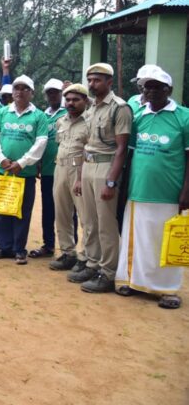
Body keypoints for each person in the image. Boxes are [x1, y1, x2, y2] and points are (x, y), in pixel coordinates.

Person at [116, 67, 188, 309]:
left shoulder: (184, 117)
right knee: (137, 239)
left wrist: (186, 190)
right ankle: (134, 282)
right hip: (138, 191)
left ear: (169, 90)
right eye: (148, 86)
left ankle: (167, 290)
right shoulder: (140, 117)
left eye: (158, 87)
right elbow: (129, 154)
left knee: (166, 241)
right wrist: (124, 188)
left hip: (169, 192)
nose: (151, 91)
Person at [71, 63, 131, 293]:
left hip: (106, 167)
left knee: (106, 224)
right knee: (89, 220)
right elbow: (86, 145)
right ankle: (92, 263)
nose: (92, 84)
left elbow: (121, 148)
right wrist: (79, 176)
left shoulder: (119, 108)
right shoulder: (92, 108)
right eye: (90, 80)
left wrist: (111, 181)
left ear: (109, 82)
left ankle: (108, 272)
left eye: (97, 80)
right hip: (88, 166)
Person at [0, 75, 48, 264]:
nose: (19, 92)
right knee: (1, 210)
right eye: (16, 88)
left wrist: (21, 163)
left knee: (22, 211)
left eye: (24, 88)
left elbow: (41, 143)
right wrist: (2, 159)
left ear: (31, 93)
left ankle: (19, 249)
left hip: (25, 173)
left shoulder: (39, 116)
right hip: (3, 170)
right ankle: (3, 247)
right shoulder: (3, 112)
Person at [47, 83, 89, 271]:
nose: (71, 103)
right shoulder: (61, 121)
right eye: (68, 100)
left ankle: (86, 257)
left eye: (76, 100)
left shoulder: (90, 121)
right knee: (62, 213)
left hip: (81, 170)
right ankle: (67, 253)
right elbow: (60, 144)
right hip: (61, 168)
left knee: (85, 216)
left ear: (85, 101)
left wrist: (81, 177)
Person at [30, 78, 66, 259]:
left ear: (62, 93)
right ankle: (48, 245)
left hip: (66, 170)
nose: (52, 95)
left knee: (67, 210)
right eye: (49, 92)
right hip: (47, 170)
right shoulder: (43, 115)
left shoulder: (69, 112)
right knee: (48, 209)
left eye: (56, 92)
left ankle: (69, 249)